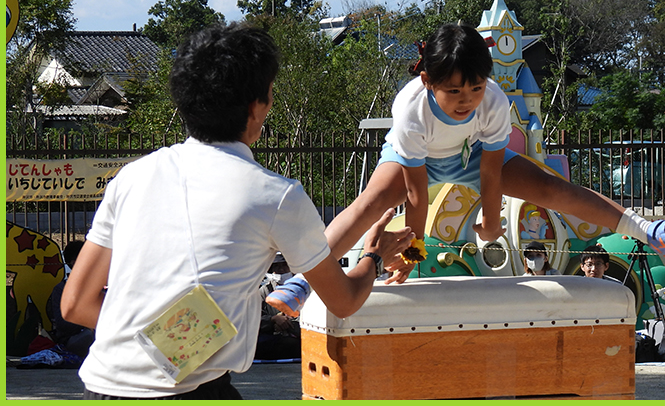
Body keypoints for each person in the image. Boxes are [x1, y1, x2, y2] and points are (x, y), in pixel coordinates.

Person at [60, 22, 414, 400]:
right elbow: (343, 299)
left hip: (99, 386)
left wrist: (148, 342)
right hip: (194, 391)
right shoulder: (275, 195)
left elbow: (76, 304)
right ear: (257, 106)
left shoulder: (132, 178)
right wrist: (374, 257)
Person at [322, 23, 665, 285]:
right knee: (371, 201)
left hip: (473, 157)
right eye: (453, 91)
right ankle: (308, 279)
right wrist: (412, 254)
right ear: (427, 82)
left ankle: (650, 230)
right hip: (417, 161)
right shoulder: (410, 109)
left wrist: (492, 220)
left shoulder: (495, 100)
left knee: (552, 188)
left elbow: (490, 173)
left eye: (476, 88)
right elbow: (417, 196)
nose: (466, 100)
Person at [46, 241, 95, 358]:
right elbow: (63, 325)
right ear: (74, 262)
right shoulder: (61, 289)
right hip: (74, 338)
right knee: (89, 336)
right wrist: (86, 323)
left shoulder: (96, 284)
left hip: (94, 333)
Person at [256, 255, 300, 360]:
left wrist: (287, 324)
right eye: (277, 266)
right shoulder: (264, 291)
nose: (281, 270)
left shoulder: (302, 289)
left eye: (284, 265)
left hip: (296, 337)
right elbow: (254, 319)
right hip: (272, 338)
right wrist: (273, 320)